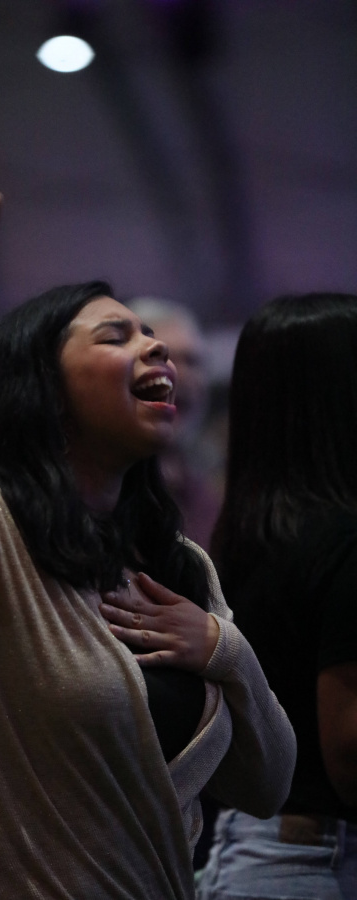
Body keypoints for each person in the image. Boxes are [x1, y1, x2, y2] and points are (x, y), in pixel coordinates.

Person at [0, 153, 295, 900]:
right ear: (45, 390)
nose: (154, 347)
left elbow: (268, 786)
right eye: (115, 336)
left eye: (151, 336)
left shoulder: (176, 564)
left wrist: (223, 648)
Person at [192, 293, 357, 899]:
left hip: (251, 850)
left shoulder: (247, 537)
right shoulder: (343, 543)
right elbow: (351, 757)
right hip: (319, 863)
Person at [125, 298, 221, 551]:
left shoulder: (213, 497)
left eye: (193, 361)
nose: (183, 376)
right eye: (164, 359)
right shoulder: (98, 498)